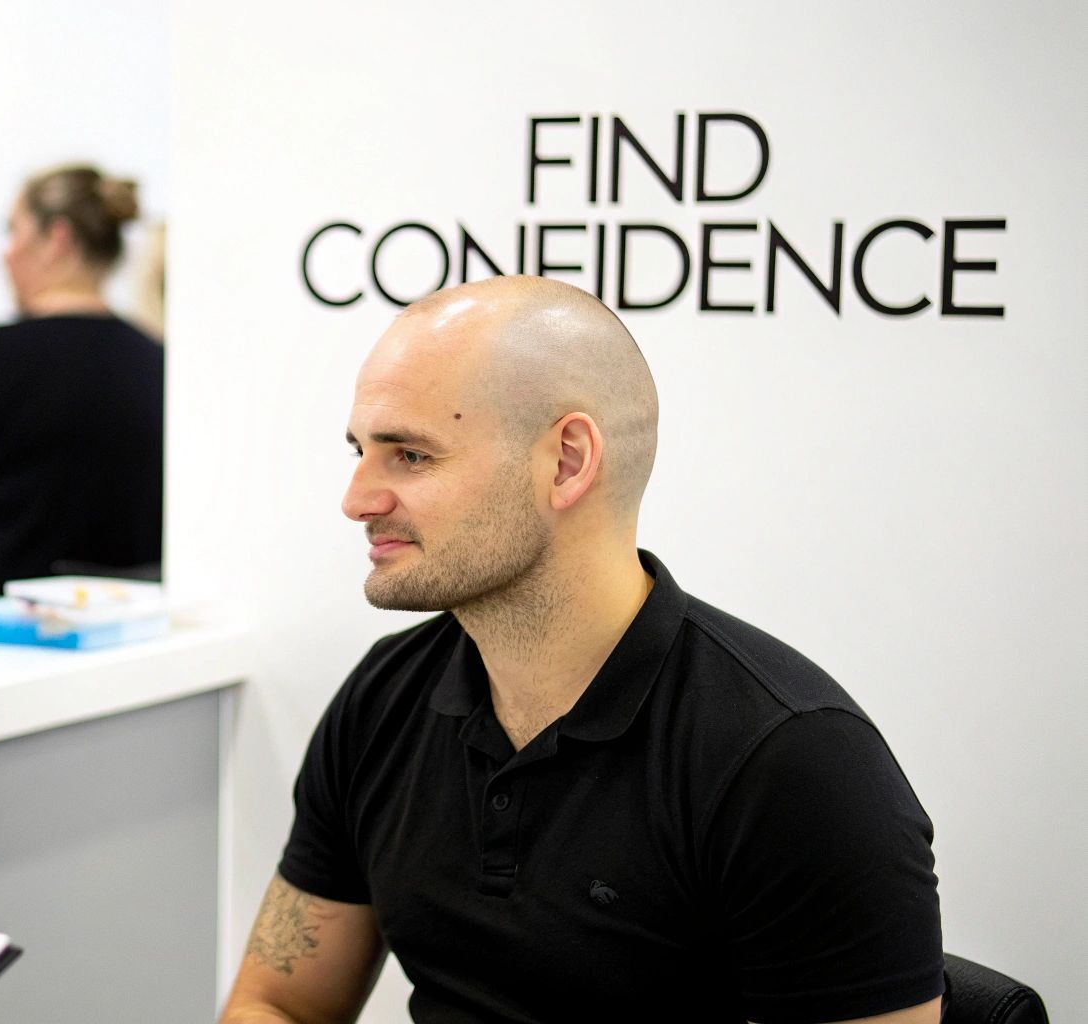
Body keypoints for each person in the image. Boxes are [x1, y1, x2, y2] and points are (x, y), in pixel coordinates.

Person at [221, 276, 943, 1024]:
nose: (357, 499)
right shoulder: (386, 696)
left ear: (567, 462)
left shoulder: (790, 760)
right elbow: (277, 1000)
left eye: (409, 456)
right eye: (360, 450)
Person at [0, 164, 162, 627]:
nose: (6, 254)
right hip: (114, 638)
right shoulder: (159, 365)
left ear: (56, 238)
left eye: (13, 232)